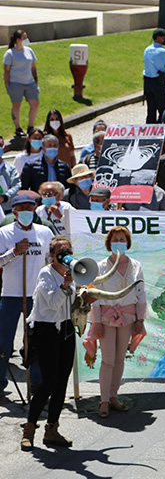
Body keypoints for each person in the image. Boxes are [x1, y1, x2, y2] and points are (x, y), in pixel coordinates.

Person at [19, 235, 79, 451]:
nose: (65, 256)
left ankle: (52, 428)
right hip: (46, 330)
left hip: (65, 329)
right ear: (52, 256)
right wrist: (66, 285)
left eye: (68, 251)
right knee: (48, 383)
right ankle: (30, 428)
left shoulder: (71, 273)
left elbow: (71, 303)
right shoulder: (46, 274)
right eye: (61, 253)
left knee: (62, 381)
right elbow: (54, 304)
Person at [82, 226, 147, 418]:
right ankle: (103, 400)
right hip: (107, 318)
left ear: (128, 242)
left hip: (128, 317)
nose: (119, 242)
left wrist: (140, 320)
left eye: (122, 239)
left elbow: (141, 294)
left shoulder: (136, 265)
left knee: (120, 358)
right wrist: (97, 322)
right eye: (115, 239)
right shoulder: (100, 266)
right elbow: (95, 296)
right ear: (109, 243)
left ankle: (113, 396)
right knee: (108, 360)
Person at [0, 194, 53, 394]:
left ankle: (37, 384)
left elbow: (50, 260)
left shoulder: (45, 232)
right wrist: (14, 252)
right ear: (14, 212)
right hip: (11, 295)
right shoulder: (4, 233)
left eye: (29, 208)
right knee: (3, 342)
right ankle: (0, 384)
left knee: (36, 342)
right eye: (21, 208)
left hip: (37, 295)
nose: (26, 211)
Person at [4, 29, 39, 139]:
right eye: (24, 38)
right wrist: (7, 85)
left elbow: (33, 67)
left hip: (29, 83)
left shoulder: (29, 51)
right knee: (17, 105)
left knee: (35, 104)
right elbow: (6, 71)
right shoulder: (10, 53)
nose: (26, 40)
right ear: (18, 40)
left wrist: (36, 80)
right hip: (16, 83)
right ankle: (18, 128)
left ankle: (30, 127)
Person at [142, 28, 165, 124]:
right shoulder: (164, 51)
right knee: (162, 108)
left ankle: (150, 129)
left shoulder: (147, 50)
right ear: (159, 38)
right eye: (164, 37)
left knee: (151, 108)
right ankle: (161, 128)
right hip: (158, 82)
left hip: (147, 82)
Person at [0, 135, 21, 214]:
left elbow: (17, 185)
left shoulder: (11, 168)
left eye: (0, 145)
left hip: (8, 211)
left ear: (4, 148)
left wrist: (4, 197)